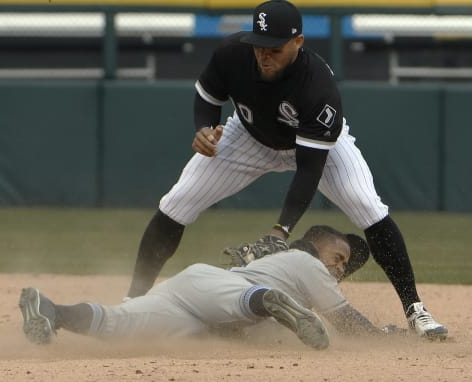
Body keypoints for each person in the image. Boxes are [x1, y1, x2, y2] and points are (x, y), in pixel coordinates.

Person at [125, 0, 447, 339]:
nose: (264, 55)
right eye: (260, 46)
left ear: (298, 43)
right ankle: (132, 301)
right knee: (177, 202)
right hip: (248, 137)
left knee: (368, 206)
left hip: (315, 146)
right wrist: (205, 127)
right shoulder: (231, 54)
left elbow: (308, 170)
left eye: (275, 49)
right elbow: (208, 97)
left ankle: (416, 311)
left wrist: (282, 230)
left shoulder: (317, 87)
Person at [19, 226, 401, 349]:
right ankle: (268, 301)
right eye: (337, 255)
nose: (339, 267)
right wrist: (387, 340)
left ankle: (54, 311)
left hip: (193, 301)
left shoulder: (287, 275)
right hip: (227, 292)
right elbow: (347, 321)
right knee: (251, 302)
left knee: (119, 325)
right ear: (314, 244)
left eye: (344, 265)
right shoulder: (306, 263)